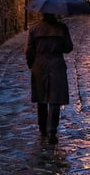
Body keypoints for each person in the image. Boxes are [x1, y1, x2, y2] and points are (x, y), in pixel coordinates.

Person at [26, 13, 74, 143]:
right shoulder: (62, 28)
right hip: (56, 64)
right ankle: (52, 131)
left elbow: (30, 50)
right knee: (55, 98)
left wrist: (31, 64)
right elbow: (68, 47)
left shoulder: (34, 29)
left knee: (41, 98)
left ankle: (42, 127)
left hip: (39, 64)